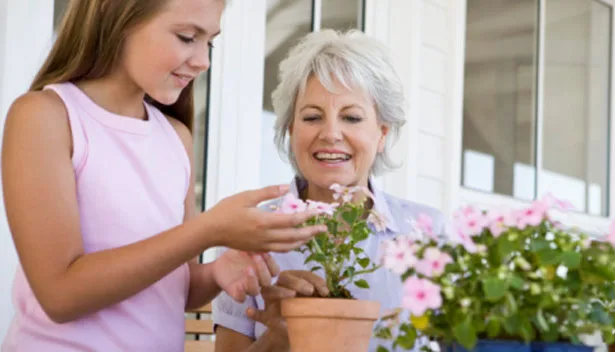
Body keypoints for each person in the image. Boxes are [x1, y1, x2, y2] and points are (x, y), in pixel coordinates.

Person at [0, 1, 327, 351]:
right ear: (120, 17)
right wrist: (207, 229)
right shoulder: (46, 117)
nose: (204, 60)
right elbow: (60, 295)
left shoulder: (174, 137)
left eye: (210, 43)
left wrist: (217, 272)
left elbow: (172, 288)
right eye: (188, 37)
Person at [212, 29, 446, 352]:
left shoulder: (429, 233)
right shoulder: (249, 239)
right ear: (291, 130)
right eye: (312, 117)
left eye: (351, 117)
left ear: (381, 134)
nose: (331, 134)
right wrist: (277, 340)